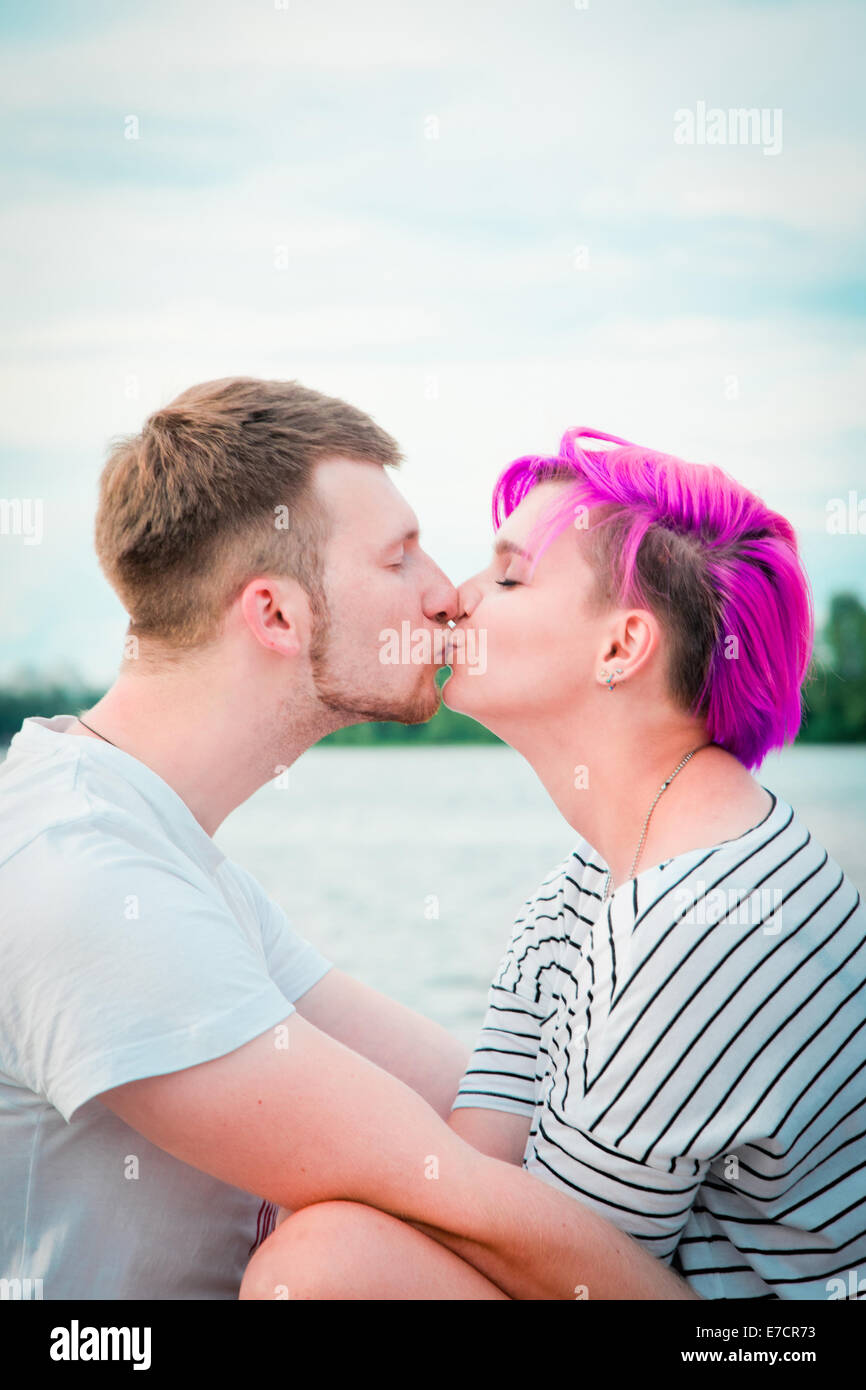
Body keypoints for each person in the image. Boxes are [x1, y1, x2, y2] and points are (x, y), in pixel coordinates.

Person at [0, 380, 698, 1302]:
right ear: (276, 616)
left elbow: (475, 1114)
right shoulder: (79, 873)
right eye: (400, 557)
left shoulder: (157, 850)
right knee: (332, 1264)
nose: (448, 595)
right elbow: (460, 1199)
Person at [442, 426, 866, 1300]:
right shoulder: (601, 872)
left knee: (328, 1263)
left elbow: (561, 1275)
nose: (455, 598)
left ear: (620, 648)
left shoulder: (693, 918)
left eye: (508, 577)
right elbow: (478, 1156)